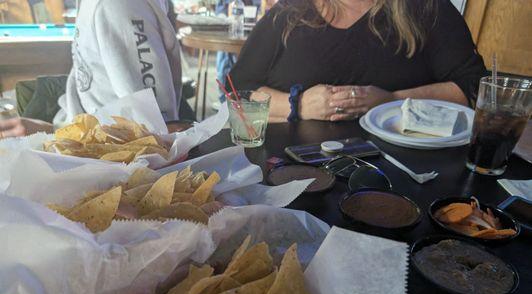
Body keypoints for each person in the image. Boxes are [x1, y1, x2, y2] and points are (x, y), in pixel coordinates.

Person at [230, 0, 487, 122]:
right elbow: (238, 89)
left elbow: (473, 87)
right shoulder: (289, 11)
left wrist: (392, 101)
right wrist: (298, 105)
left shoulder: (427, 8)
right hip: (286, 170)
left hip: (405, 175)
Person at [0, 0, 183, 139]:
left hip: (106, 164)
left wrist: (56, 135)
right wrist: (54, 131)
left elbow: (153, 135)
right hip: (78, 134)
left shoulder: (118, 5)